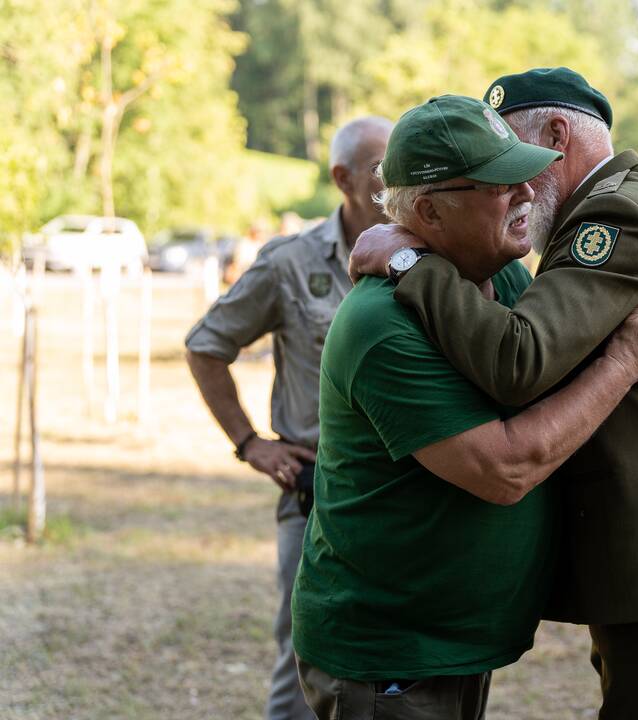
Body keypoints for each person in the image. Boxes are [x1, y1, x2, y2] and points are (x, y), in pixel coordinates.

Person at [350, 69, 638, 720]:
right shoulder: (615, 202)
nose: (514, 187)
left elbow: (519, 358)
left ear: (559, 135)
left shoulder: (616, 214)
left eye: (521, 163)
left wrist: (413, 263)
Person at [184, 116, 392, 720]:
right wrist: (250, 443)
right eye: (381, 168)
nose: (394, 179)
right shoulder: (290, 262)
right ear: (341, 178)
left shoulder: (429, 253)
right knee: (305, 662)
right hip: (317, 497)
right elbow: (205, 345)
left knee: (395, 673)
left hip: (405, 497)